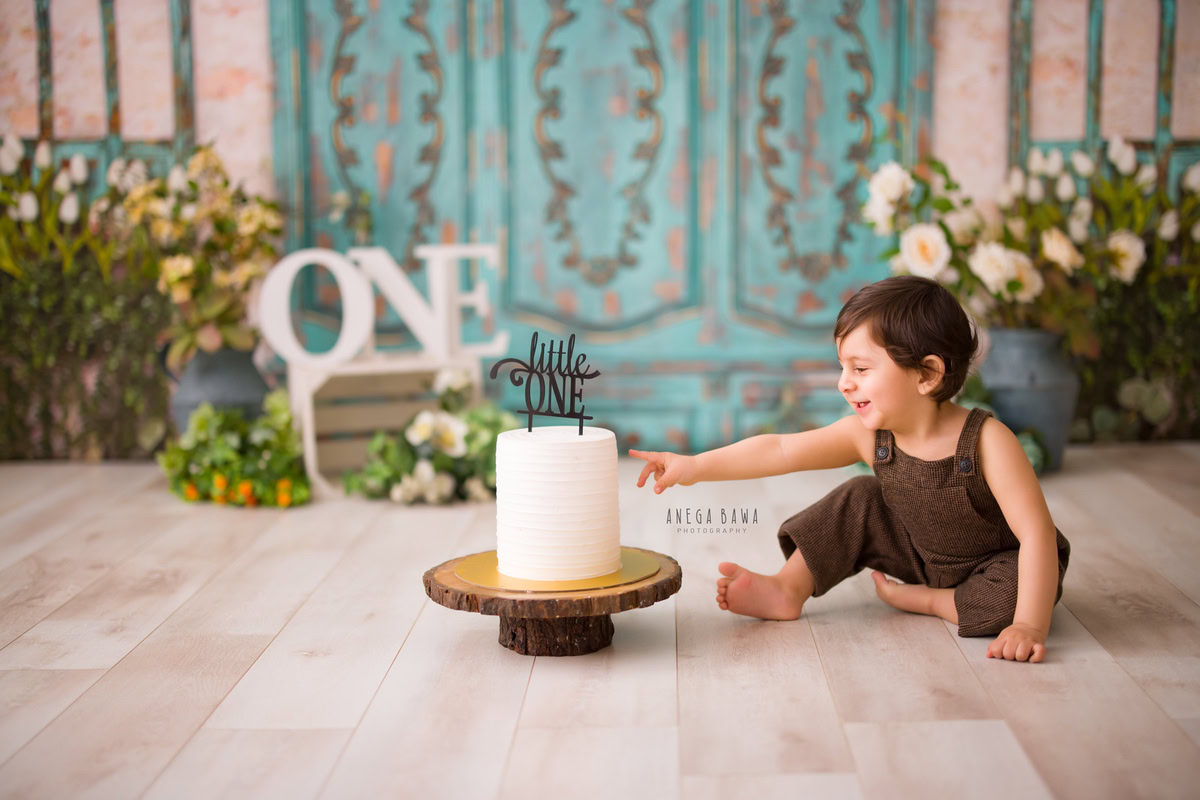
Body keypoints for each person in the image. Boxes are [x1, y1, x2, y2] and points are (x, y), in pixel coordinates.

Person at [630, 275, 1070, 664]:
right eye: (843, 366)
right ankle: (788, 589)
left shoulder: (988, 441)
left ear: (927, 374)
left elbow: (1037, 535)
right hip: (917, 551)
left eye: (860, 368)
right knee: (860, 496)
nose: (844, 382)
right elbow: (781, 449)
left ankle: (936, 602)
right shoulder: (870, 436)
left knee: (1017, 596)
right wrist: (695, 466)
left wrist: (1029, 625)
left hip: (992, 567)